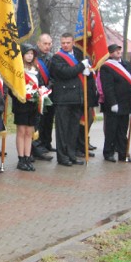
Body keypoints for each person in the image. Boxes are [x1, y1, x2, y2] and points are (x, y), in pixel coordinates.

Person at [49, 33, 88, 166]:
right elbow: (66, 73)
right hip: (63, 99)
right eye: (63, 42)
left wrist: (87, 68)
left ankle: (72, 155)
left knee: (73, 130)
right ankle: (62, 157)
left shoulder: (78, 55)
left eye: (68, 42)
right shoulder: (56, 58)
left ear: (73, 43)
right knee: (62, 130)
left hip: (76, 98)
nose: (65, 45)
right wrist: (81, 66)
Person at [100, 44, 131, 163]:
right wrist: (112, 102)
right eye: (115, 51)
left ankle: (123, 154)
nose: (118, 52)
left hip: (126, 102)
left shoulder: (125, 64)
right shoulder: (106, 66)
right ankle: (108, 152)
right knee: (111, 130)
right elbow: (107, 87)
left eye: (119, 50)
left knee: (122, 130)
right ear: (110, 53)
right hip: (114, 104)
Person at [11, 43, 42, 171]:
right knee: (21, 131)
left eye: (31, 54)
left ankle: (28, 157)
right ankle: (21, 159)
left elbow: (40, 85)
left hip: (33, 104)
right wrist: (21, 96)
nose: (29, 56)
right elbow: (12, 88)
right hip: (21, 104)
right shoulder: (17, 69)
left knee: (29, 132)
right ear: (22, 55)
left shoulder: (36, 69)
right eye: (27, 54)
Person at [31, 33, 55, 161]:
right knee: (38, 121)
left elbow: (54, 75)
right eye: (45, 44)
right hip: (36, 93)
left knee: (48, 120)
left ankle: (47, 143)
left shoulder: (52, 57)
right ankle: (37, 146)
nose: (47, 46)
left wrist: (48, 87)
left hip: (49, 92)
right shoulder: (32, 57)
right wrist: (39, 89)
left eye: (49, 44)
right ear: (39, 43)